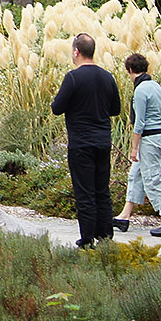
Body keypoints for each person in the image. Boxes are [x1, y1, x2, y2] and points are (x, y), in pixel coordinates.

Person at [50, 34, 122, 248]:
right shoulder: (108, 77)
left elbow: (56, 108)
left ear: (76, 52)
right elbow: (115, 109)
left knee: (85, 192)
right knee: (102, 190)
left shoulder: (73, 78)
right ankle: (106, 237)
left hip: (81, 143)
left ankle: (87, 239)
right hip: (102, 141)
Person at [111, 53, 161, 237]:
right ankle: (124, 217)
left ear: (130, 70)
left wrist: (134, 148)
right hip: (160, 135)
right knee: (135, 175)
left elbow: (139, 122)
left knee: (152, 178)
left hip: (149, 139)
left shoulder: (140, 90)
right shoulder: (155, 85)